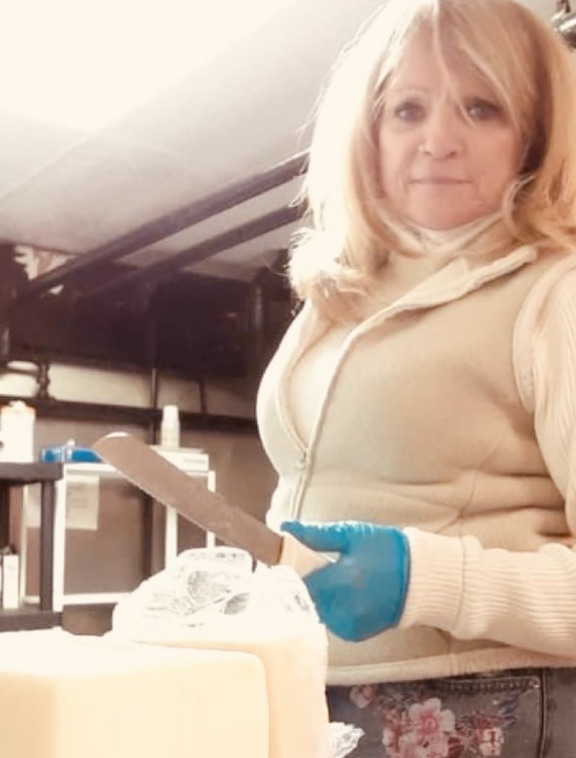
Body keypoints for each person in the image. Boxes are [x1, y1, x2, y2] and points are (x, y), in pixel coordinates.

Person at [255, 0, 576, 755]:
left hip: (484, 703)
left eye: (481, 107)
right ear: (369, 135)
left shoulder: (555, 294)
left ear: (534, 135)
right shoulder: (340, 299)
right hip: (315, 696)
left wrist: (428, 578)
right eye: (407, 109)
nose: (439, 140)